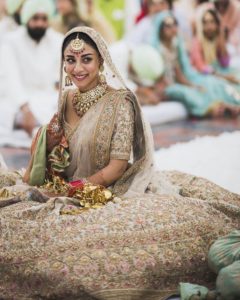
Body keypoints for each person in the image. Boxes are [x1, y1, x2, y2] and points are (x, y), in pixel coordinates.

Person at [0, 26, 240, 299]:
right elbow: (61, 153)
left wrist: (72, 189)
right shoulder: (67, 98)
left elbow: (115, 169)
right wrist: (48, 147)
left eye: (86, 59)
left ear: (101, 60)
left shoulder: (120, 102)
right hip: (69, 186)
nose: (77, 68)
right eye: (70, 59)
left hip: (111, 189)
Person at [150, 11, 240, 118]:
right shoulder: (156, 49)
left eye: (174, 24)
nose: (172, 28)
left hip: (180, 81)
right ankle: (214, 109)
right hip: (165, 85)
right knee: (188, 92)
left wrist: (192, 85)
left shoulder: (175, 45)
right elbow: (158, 77)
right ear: (160, 29)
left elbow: (179, 73)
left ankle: (223, 106)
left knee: (204, 86)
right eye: (168, 26)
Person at [0, 0, 63, 135]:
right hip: (18, 103)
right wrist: (25, 109)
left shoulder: (58, 40)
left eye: (44, 19)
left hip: (47, 99)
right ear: (27, 18)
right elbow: (11, 79)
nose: (40, 23)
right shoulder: (11, 42)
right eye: (35, 18)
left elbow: (60, 79)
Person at [191, 8, 240, 85]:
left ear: (217, 24)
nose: (209, 26)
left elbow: (225, 63)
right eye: (205, 23)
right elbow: (200, 67)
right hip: (204, 76)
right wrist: (224, 77)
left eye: (212, 22)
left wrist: (222, 39)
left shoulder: (217, 39)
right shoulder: (197, 41)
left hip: (218, 72)